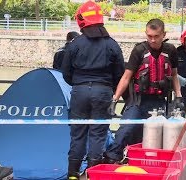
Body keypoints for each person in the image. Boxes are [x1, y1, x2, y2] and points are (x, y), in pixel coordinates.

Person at [103, 18, 184, 163]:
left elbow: (174, 75)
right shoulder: (139, 50)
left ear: (163, 34)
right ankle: (111, 158)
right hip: (138, 99)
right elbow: (126, 77)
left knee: (155, 135)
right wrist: (114, 100)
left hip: (159, 101)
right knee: (127, 128)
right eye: (149, 36)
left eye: (156, 36)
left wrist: (178, 96)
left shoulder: (170, 50)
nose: (152, 40)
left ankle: (150, 162)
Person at [60, 1, 125, 179]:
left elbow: (66, 73)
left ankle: (72, 174)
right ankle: (92, 174)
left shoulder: (75, 44)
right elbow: (120, 73)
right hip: (103, 92)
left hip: (79, 92)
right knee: (98, 134)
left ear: (82, 20)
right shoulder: (112, 44)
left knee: (78, 134)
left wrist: (80, 84)